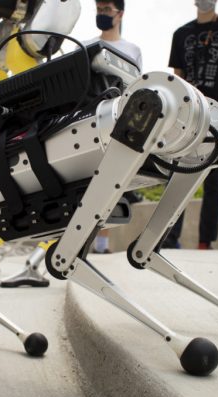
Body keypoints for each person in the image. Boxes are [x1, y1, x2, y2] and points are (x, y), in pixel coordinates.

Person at [165, 0, 218, 250]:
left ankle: (205, 241)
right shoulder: (181, 34)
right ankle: (169, 237)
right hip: (189, 116)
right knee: (177, 175)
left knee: (214, 180)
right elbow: (177, 78)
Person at [89, 0, 143, 254]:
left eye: (106, 10)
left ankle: (102, 244)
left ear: (120, 14)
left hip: (119, 121)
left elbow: (136, 87)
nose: (102, 14)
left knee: (111, 182)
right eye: (99, 9)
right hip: (92, 118)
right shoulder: (89, 46)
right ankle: (84, 240)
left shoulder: (132, 49)